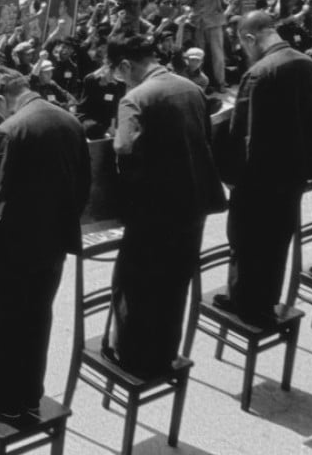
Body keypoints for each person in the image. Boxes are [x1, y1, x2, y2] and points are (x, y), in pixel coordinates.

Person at [0, 68, 89, 421]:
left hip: (14, 248)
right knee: (37, 319)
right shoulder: (68, 120)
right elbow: (84, 184)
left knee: (1, 324)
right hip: (54, 243)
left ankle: (1, 399)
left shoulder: (11, 129)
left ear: (0, 100)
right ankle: (30, 394)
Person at [104, 34, 224, 377]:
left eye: (119, 74)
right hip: (194, 206)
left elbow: (123, 147)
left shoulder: (135, 98)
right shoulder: (191, 87)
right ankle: (164, 353)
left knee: (136, 284)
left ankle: (131, 356)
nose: (121, 81)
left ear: (126, 65)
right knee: (175, 283)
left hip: (154, 211)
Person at [215, 11, 312, 324]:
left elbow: (242, 137)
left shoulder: (260, 73)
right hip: (293, 174)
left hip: (259, 181)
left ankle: (244, 303)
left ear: (250, 38)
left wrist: (232, 179)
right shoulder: (306, 63)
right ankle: (266, 300)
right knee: (277, 242)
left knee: (247, 243)